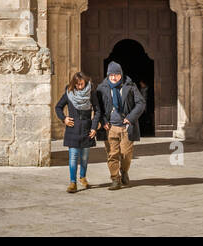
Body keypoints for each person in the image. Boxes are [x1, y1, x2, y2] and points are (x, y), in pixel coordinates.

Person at [96, 61, 145, 190]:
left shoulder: (129, 86)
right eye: (111, 75)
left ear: (120, 74)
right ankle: (115, 179)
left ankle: (124, 171)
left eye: (116, 74)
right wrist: (103, 121)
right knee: (112, 154)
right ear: (108, 75)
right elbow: (98, 108)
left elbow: (140, 103)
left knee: (126, 154)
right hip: (110, 128)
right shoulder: (102, 88)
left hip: (126, 127)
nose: (113, 77)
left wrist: (130, 117)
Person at [54, 71, 99, 192]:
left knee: (84, 157)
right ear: (74, 84)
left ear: (86, 82)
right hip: (72, 130)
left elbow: (98, 110)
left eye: (82, 84)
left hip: (87, 130)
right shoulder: (69, 93)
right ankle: (72, 182)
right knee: (73, 157)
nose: (80, 86)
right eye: (77, 84)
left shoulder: (91, 93)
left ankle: (83, 177)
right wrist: (64, 119)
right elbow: (58, 107)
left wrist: (94, 127)